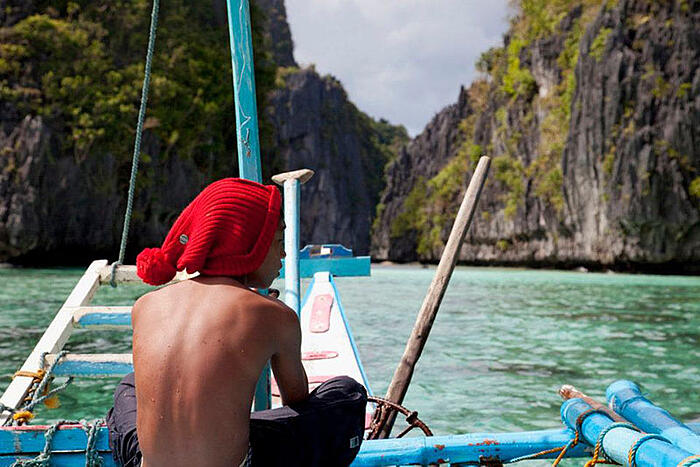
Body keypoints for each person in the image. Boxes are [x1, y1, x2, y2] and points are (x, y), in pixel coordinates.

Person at [106, 178, 367, 467]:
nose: (282, 254)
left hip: (144, 462)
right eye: (279, 242)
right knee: (347, 393)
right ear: (247, 244)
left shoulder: (145, 305)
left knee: (128, 387)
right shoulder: (274, 314)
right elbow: (296, 399)